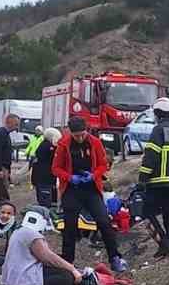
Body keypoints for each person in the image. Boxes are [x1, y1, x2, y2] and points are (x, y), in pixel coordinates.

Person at [52, 116, 128, 272]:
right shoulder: (63, 144)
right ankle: (68, 261)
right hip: (71, 190)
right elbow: (56, 168)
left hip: (91, 189)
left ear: (86, 131)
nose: (80, 138)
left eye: (82, 134)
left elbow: (102, 164)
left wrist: (93, 175)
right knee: (69, 226)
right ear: (70, 133)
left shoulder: (95, 142)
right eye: (76, 135)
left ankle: (115, 257)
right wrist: (69, 177)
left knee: (104, 222)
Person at [0, 208, 94, 285]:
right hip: (24, 281)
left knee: (61, 268)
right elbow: (48, 258)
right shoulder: (33, 235)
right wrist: (72, 269)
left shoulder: (18, 231)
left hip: (12, 280)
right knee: (66, 277)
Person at [137, 96, 169, 258]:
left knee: (146, 213)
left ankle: (164, 243)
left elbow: (151, 156)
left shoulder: (158, 130)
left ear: (157, 114)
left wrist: (142, 179)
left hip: (158, 181)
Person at [0, 113, 18, 213]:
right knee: (2, 195)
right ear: (9, 122)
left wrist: (8, 171)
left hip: (3, 168)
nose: (17, 126)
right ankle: (3, 215)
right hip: (0, 168)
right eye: (16, 123)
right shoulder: (0, 134)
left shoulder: (5, 134)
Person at [28, 126, 61, 209]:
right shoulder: (48, 146)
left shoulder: (44, 145)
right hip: (44, 179)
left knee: (50, 200)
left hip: (45, 178)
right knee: (46, 203)